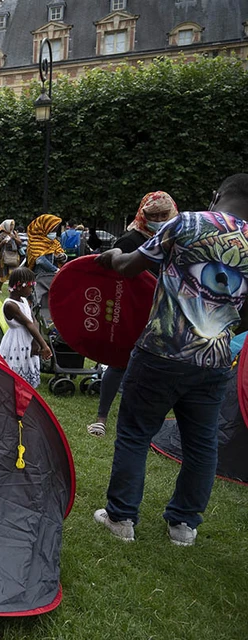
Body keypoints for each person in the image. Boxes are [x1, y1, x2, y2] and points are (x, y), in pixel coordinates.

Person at [92, 174, 248, 547]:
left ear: (217, 195)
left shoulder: (188, 222)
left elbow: (130, 265)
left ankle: (121, 517)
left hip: (161, 351)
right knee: (202, 444)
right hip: (213, 360)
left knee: (133, 434)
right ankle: (183, 526)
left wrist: (111, 256)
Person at [86, 191, 179, 438]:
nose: (159, 219)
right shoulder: (130, 240)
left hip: (166, 312)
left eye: (164, 214)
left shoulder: (177, 237)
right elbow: (111, 274)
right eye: (154, 215)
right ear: (143, 215)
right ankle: (101, 419)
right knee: (119, 363)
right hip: (132, 310)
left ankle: (150, 422)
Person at [0, 267, 51, 388]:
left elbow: (34, 321)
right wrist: (44, 345)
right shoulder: (10, 305)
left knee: (28, 369)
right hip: (17, 342)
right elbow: (28, 324)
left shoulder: (24, 300)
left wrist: (35, 342)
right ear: (20, 285)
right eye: (30, 286)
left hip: (29, 340)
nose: (32, 289)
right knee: (16, 370)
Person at [0, 219, 22, 292]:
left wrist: (14, 238)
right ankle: (0, 288)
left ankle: (12, 287)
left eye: (12, 225)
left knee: (14, 272)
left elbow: (20, 243)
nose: (12, 227)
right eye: (10, 225)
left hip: (14, 256)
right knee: (2, 272)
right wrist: (3, 242)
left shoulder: (14, 234)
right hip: (4, 256)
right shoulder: (0, 235)